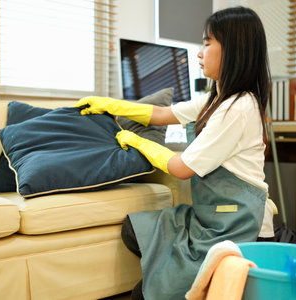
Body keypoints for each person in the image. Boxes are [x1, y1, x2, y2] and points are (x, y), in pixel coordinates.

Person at [75, 6, 273, 299]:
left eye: (207, 43)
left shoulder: (238, 108)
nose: (199, 53)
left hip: (238, 229)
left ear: (233, 49)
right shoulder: (217, 99)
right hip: (212, 218)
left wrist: (138, 142)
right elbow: (163, 113)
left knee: (143, 294)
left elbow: (181, 168)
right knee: (134, 230)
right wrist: (112, 105)